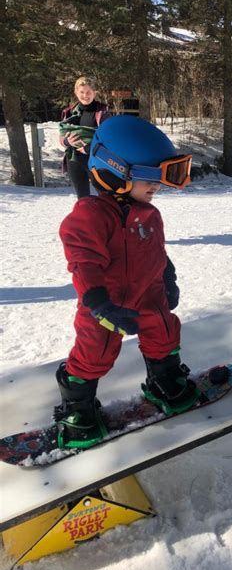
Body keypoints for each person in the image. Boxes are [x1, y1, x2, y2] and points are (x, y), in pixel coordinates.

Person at [54, 115, 199, 449]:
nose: (157, 188)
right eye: (152, 179)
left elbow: (156, 250)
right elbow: (83, 261)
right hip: (107, 302)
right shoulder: (90, 215)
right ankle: (77, 408)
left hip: (149, 293)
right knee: (96, 352)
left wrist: (167, 275)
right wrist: (97, 301)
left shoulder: (150, 213)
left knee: (164, 332)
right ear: (117, 172)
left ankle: (164, 380)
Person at [59, 76, 110, 198]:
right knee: (82, 200)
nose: (85, 96)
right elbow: (62, 136)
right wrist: (67, 141)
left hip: (96, 160)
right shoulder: (69, 112)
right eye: (81, 92)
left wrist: (90, 148)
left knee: (106, 198)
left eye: (88, 92)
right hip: (74, 160)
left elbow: (109, 139)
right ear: (76, 92)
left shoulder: (102, 112)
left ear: (94, 92)